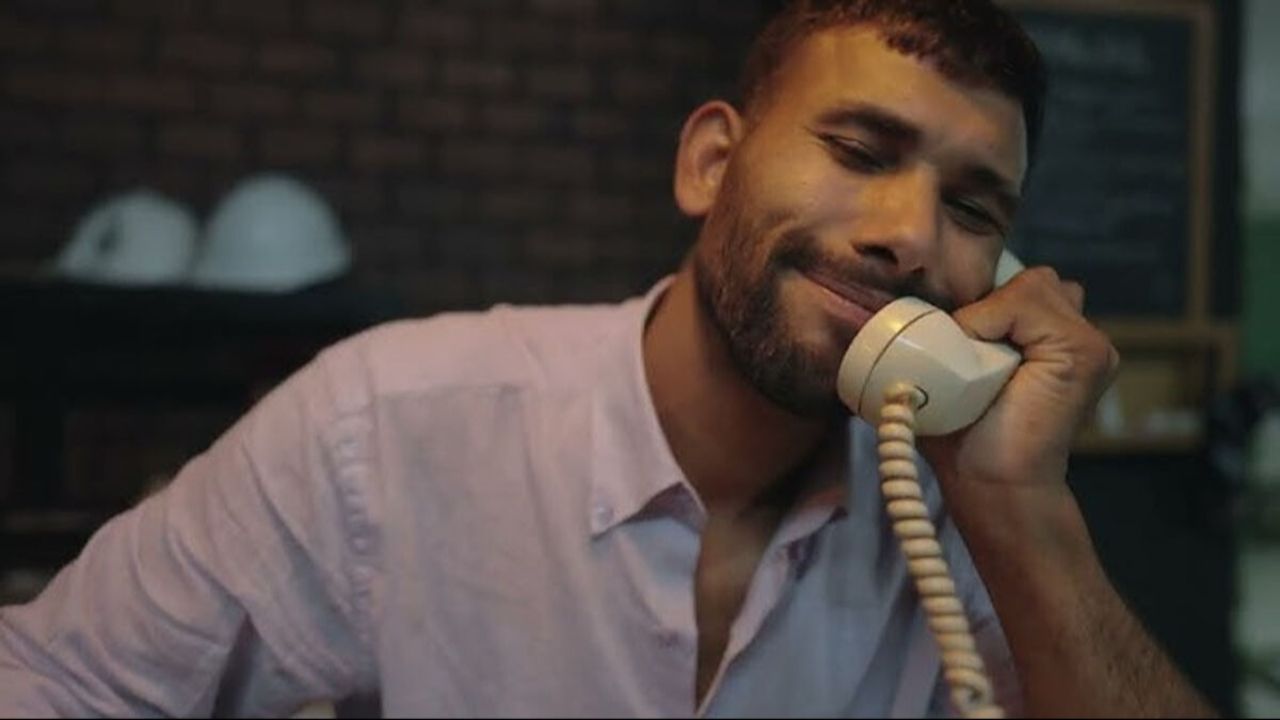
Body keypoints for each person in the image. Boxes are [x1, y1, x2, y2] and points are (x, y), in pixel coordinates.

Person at [0, 0, 1217, 716]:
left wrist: (1021, 514)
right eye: (857, 150)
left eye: (972, 207)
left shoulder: (963, 508)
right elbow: (50, 684)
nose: (906, 234)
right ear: (708, 165)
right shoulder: (386, 425)